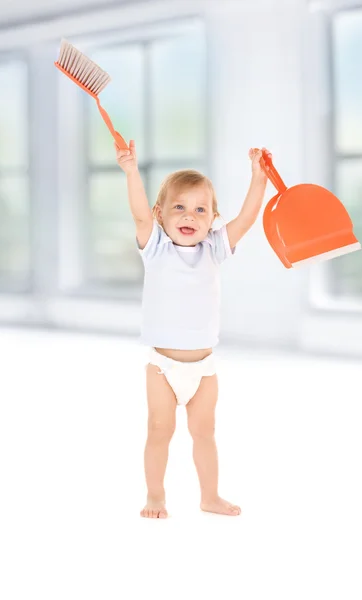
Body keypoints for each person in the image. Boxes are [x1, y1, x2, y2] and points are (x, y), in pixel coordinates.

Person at [116, 140, 269, 518]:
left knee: (205, 435)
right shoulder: (156, 248)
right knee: (159, 432)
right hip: (163, 368)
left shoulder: (214, 249)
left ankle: (209, 496)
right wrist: (131, 171)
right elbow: (138, 215)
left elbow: (247, 219)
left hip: (204, 369)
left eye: (201, 210)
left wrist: (259, 179)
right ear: (161, 215)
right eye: (179, 207)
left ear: (213, 218)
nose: (190, 216)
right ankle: (155, 496)